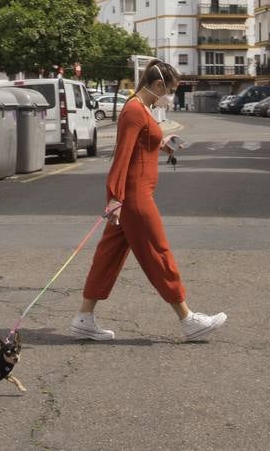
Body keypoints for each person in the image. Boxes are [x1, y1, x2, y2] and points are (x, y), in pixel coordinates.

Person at [70, 59, 227, 342]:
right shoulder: (133, 111)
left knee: (107, 257)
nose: (169, 97)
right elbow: (122, 156)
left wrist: (164, 145)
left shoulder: (142, 109)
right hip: (135, 199)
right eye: (169, 91)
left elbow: (141, 145)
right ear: (156, 86)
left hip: (133, 197)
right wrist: (115, 197)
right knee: (158, 252)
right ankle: (187, 319)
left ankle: (84, 317)